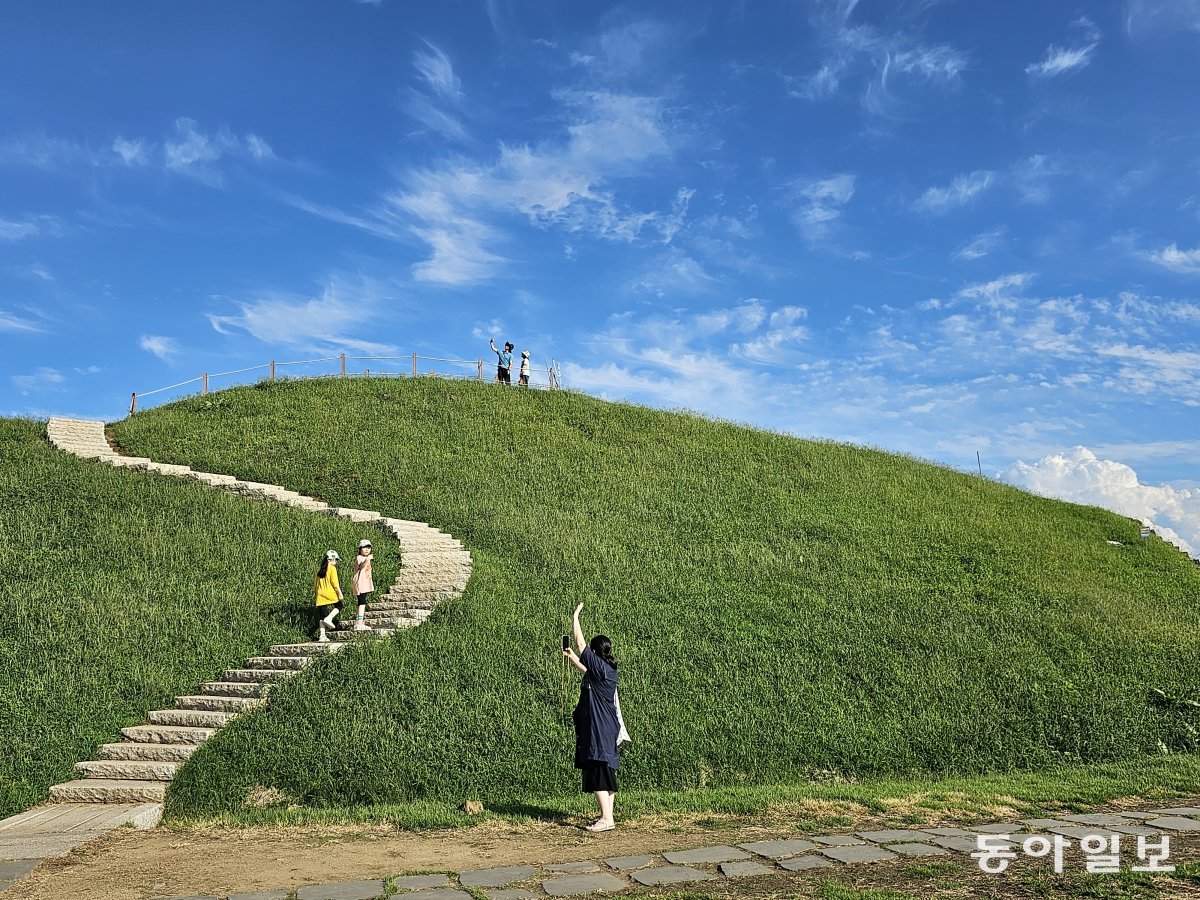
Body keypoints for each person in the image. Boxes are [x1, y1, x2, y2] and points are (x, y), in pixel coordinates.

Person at [563, 601, 620, 832]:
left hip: (599, 729)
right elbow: (587, 670)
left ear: (595, 653)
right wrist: (572, 658)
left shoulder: (602, 670)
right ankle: (607, 816)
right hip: (606, 728)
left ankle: (606, 820)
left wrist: (575, 616)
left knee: (597, 769)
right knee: (605, 769)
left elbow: (580, 642)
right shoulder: (605, 672)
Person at [314, 550, 343, 642]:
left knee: (322, 615)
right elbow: (335, 583)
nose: (336, 562)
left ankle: (322, 636)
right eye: (336, 560)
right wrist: (339, 593)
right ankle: (329, 618)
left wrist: (317, 593)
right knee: (339, 605)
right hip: (330, 593)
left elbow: (315, 585)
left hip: (320, 594)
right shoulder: (332, 568)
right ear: (332, 559)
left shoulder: (320, 570)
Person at [351, 539, 374, 631]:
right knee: (362, 602)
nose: (367, 549)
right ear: (360, 549)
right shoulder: (360, 557)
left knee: (361, 602)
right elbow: (360, 566)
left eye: (368, 547)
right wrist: (367, 559)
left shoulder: (365, 558)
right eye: (364, 548)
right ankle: (359, 623)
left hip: (364, 583)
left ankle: (358, 622)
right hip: (361, 583)